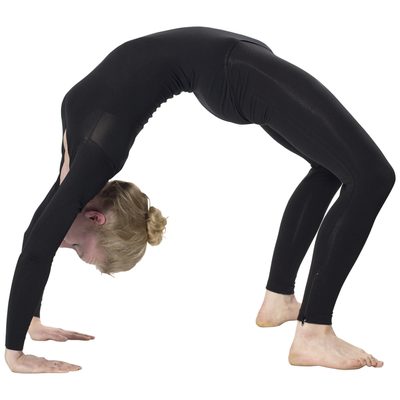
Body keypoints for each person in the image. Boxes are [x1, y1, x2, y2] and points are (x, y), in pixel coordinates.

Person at [4, 26, 395, 373]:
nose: (61, 242)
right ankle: (313, 332)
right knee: (371, 176)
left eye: (77, 249)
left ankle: (282, 303)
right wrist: (22, 337)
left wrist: (21, 339)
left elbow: (35, 245)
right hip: (234, 70)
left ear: (96, 219)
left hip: (231, 69)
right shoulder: (89, 163)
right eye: (74, 249)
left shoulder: (87, 164)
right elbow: (37, 242)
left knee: (341, 170)